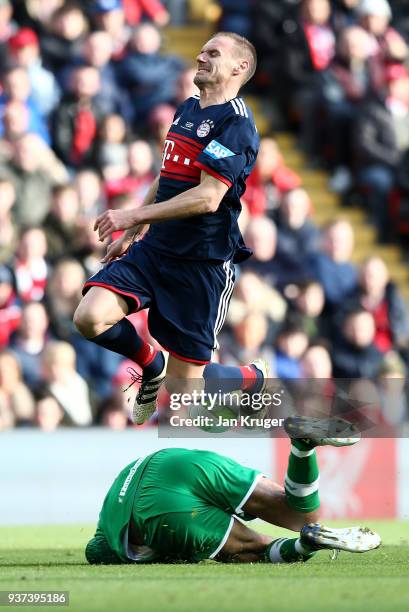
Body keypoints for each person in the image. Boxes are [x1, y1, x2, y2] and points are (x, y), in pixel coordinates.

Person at [74, 32, 268, 425]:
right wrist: (133, 233)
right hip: (156, 248)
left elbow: (207, 198)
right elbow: (168, 176)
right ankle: (150, 364)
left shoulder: (237, 125)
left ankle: (251, 376)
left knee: (185, 389)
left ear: (239, 67)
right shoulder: (187, 108)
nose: (200, 56)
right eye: (201, 49)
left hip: (200, 263)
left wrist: (131, 216)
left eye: (213, 53)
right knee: (89, 317)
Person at [85, 416, 381, 564]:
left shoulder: (106, 540)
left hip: (159, 511)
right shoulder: (105, 521)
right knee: (301, 514)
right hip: (171, 460)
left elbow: (93, 551)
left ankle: (307, 544)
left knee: (259, 550)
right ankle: (301, 448)